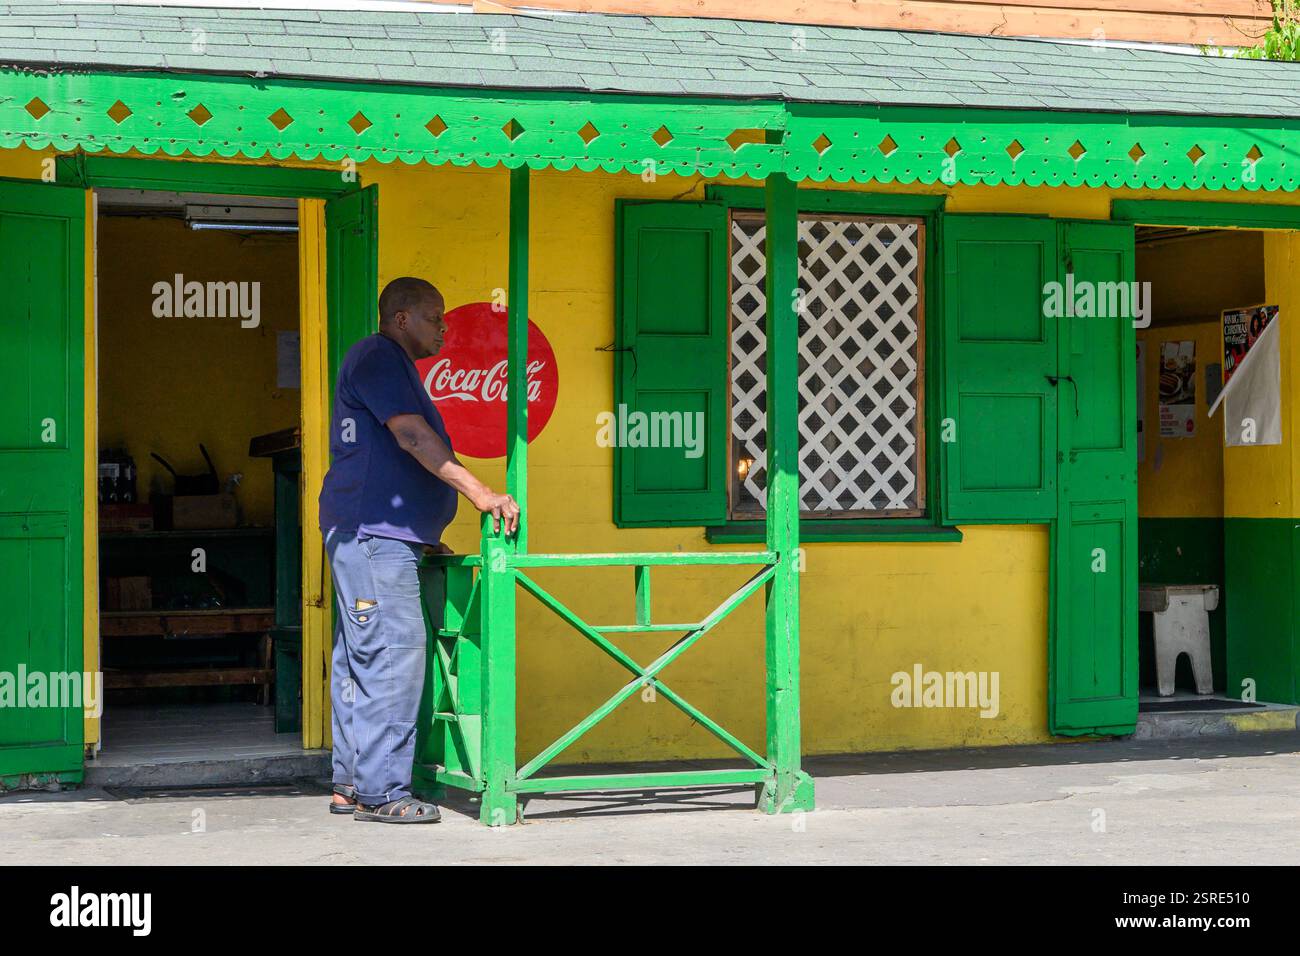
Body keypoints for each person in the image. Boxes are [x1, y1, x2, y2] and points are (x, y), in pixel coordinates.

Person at [318, 276, 520, 823]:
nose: (445, 329)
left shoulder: (388, 364)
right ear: (402, 318)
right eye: (435, 318)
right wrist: (481, 493)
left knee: (363, 656)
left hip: (377, 535)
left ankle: (351, 784)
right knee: (394, 656)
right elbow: (410, 437)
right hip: (373, 537)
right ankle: (383, 792)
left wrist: (423, 532)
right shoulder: (380, 356)